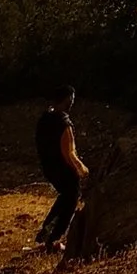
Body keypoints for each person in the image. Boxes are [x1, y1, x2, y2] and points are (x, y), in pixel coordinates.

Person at [35, 86, 88, 250]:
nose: (72, 103)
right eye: (70, 99)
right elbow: (69, 152)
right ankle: (53, 239)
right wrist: (83, 170)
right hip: (65, 169)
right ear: (66, 100)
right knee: (70, 199)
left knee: (64, 198)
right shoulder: (63, 122)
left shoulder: (44, 119)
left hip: (49, 168)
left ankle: (46, 235)